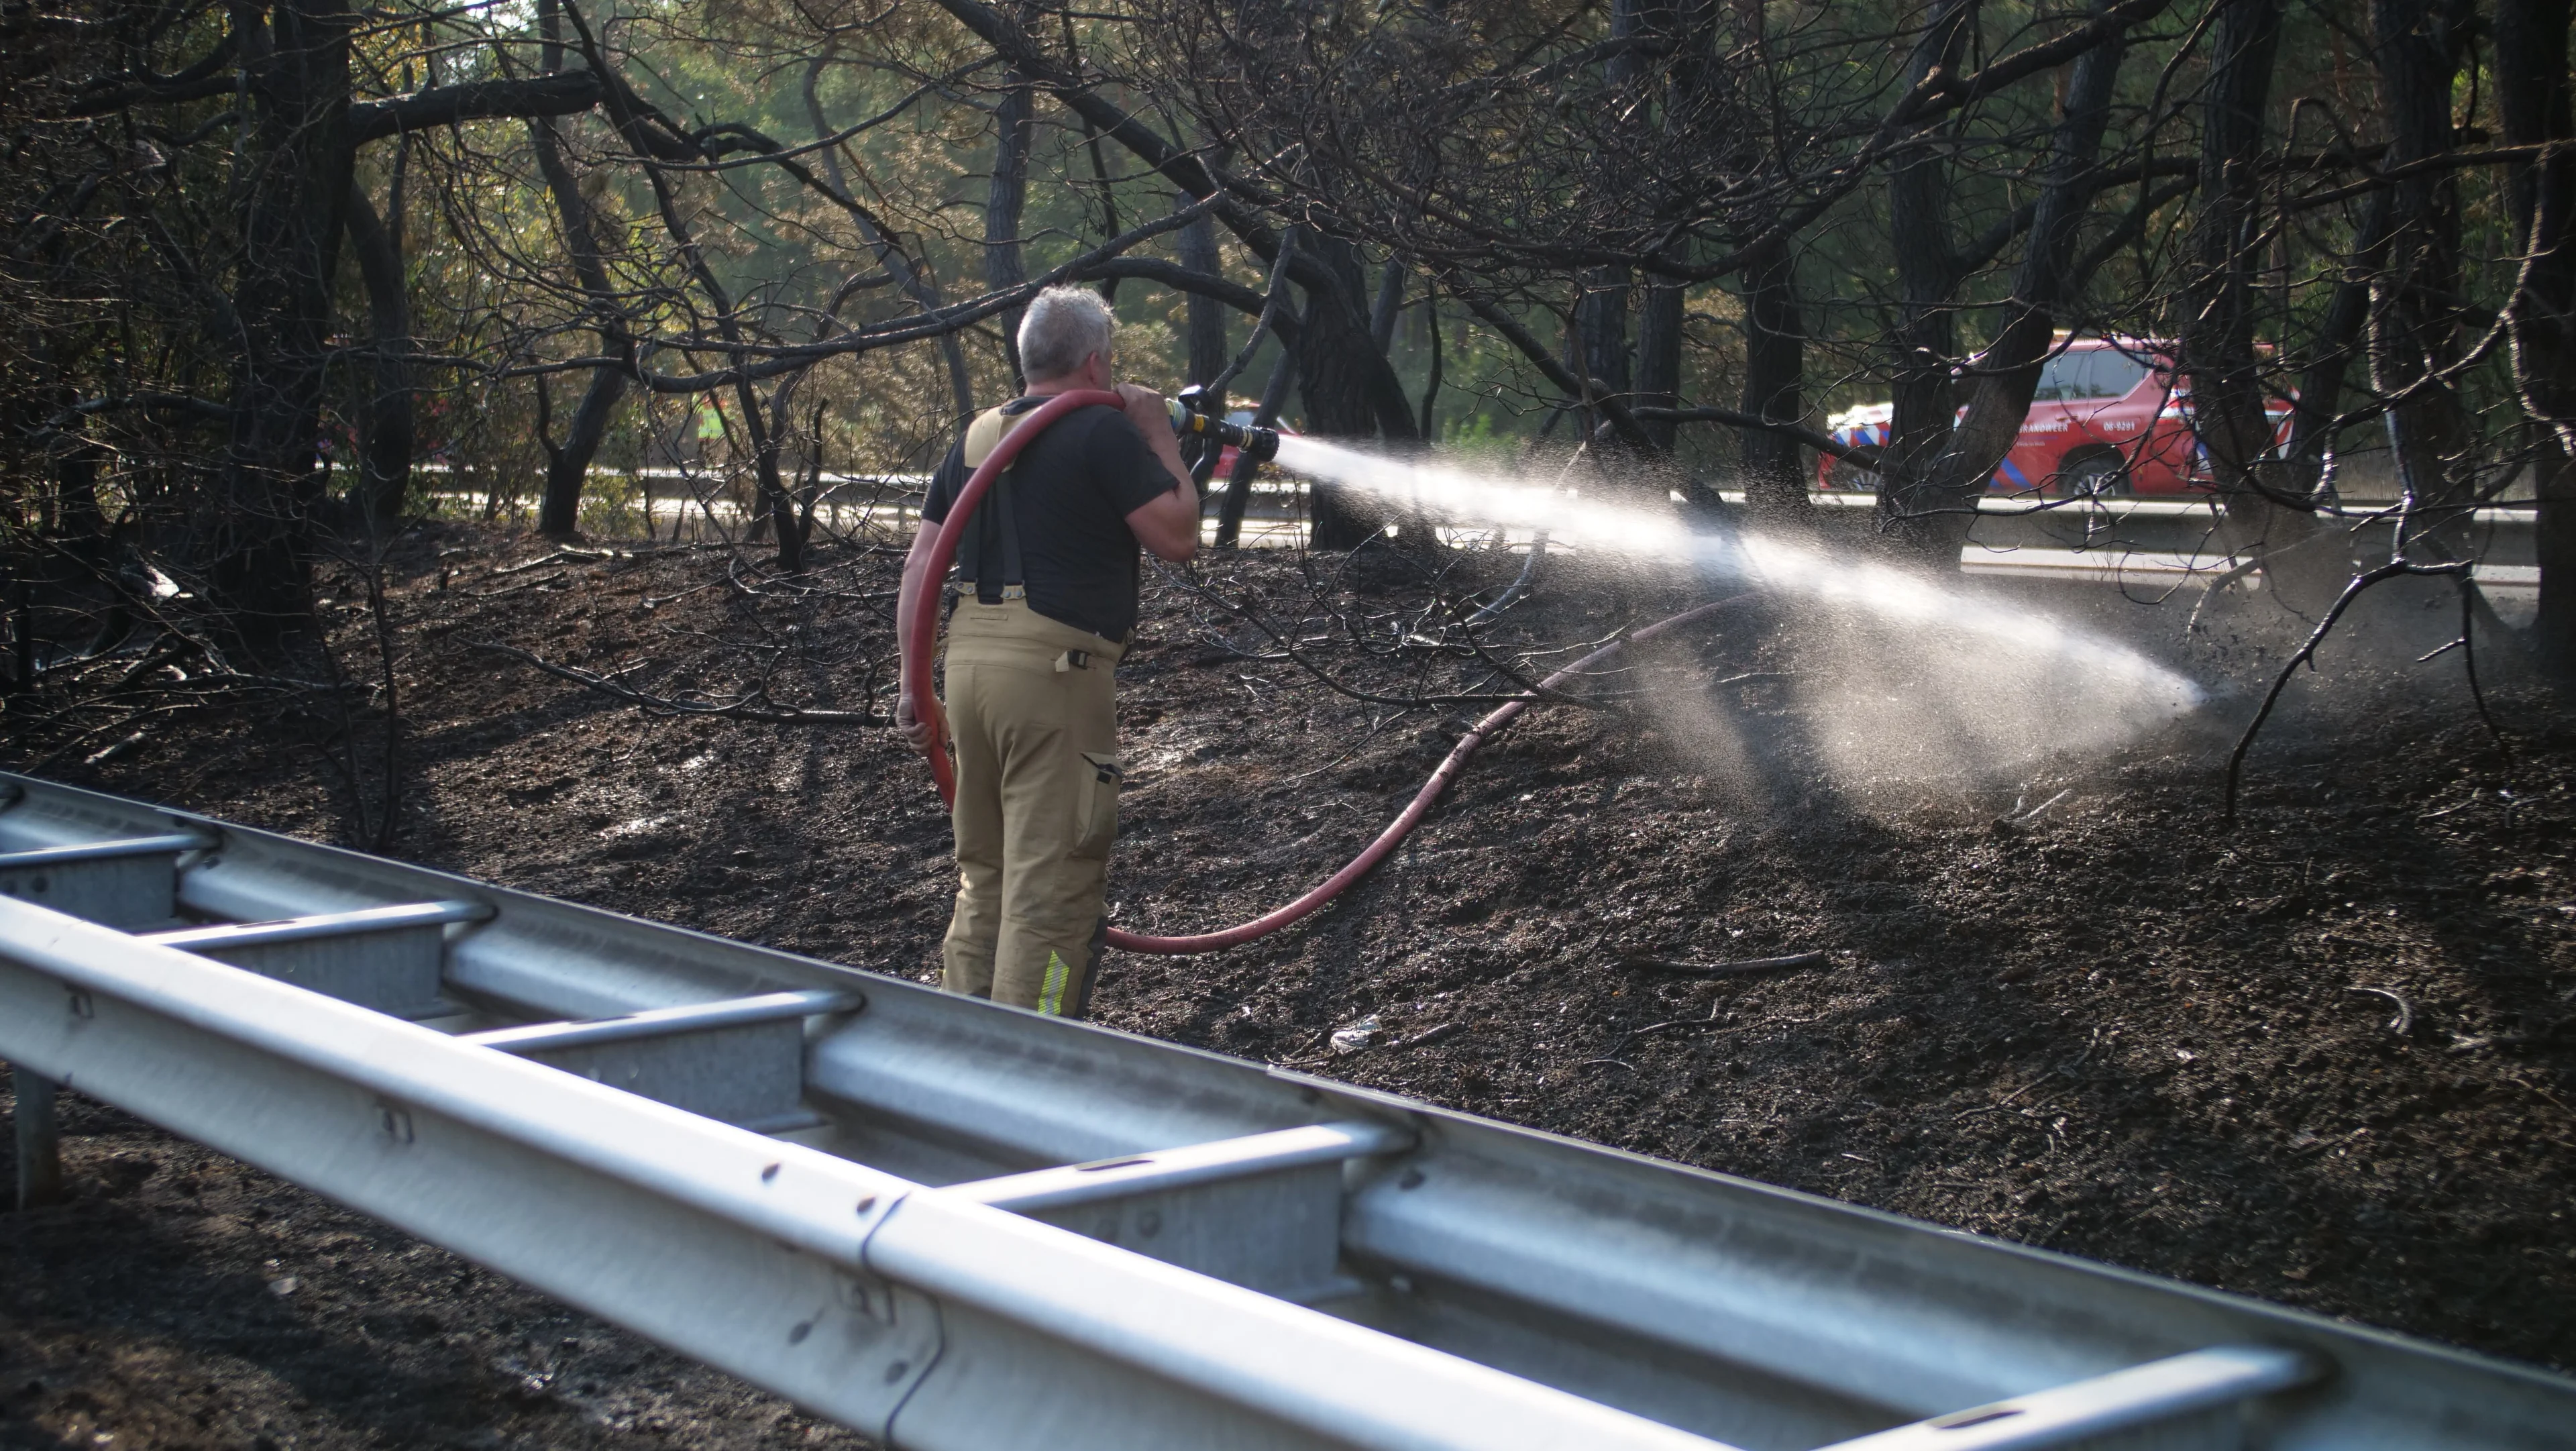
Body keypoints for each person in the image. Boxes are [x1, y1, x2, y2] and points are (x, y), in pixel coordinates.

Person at [894, 286, 1199, 1018]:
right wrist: (1159, 433)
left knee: (987, 877)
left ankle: (958, 1055)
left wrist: (914, 686)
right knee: (1054, 881)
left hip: (966, 673)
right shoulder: (1103, 433)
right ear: (1096, 361)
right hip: (1054, 679)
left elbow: (920, 565)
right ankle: (1031, 1062)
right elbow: (1178, 537)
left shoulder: (977, 436)